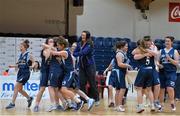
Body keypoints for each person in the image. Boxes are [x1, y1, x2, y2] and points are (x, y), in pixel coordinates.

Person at [6, 40, 35, 109]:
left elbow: (34, 62)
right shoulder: (21, 55)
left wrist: (32, 66)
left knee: (16, 86)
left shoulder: (28, 54)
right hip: (20, 73)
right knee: (19, 89)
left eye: (21, 46)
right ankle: (29, 98)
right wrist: (13, 66)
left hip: (25, 73)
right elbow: (19, 65)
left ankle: (12, 103)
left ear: (24, 47)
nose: (20, 47)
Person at [73, 31, 99, 105]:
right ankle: (83, 100)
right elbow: (75, 53)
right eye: (81, 35)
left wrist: (79, 52)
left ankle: (96, 99)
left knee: (92, 83)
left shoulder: (90, 44)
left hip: (90, 66)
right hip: (81, 67)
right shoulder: (79, 44)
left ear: (87, 36)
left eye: (84, 35)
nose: (82, 36)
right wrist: (79, 52)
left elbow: (84, 53)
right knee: (81, 83)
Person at [133, 37, 158, 113]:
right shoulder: (152, 49)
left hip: (143, 69)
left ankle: (140, 106)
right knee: (149, 89)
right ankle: (152, 105)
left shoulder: (140, 50)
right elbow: (156, 54)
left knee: (139, 89)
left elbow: (134, 55)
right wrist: (146, 53)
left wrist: (144, 53)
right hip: (150, 70)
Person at [33, 38, 56, 112]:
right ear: (47, 43)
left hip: (51, 71)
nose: (52, 43)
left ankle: (55, 105)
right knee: (42, 89)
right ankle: (36, 105)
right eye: (50, 41)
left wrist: (51, 47)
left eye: (52, 41)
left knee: (52, 87)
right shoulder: (44, 51)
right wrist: (49, 47)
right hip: (44, 71)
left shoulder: (54, 49)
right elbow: (47, 57)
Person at [158, 36, 179, 111]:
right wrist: (159, 65)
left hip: (171, 72)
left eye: (168, 41)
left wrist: (170, 59)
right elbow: (156, 61)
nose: (167, 42)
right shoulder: (161, 51)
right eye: (166, 41)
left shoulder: (175, 51)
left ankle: (172, 103)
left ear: (171, 42)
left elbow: (177, 63)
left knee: (170, 88)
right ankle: (161, 105)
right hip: (162, 72)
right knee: (161, 89)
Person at [113, 41, 132, 112]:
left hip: (121, 72)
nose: (127, 47)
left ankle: (117, 106)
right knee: (122, 89)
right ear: (121, 47)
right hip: (119, 72)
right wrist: (128, 66)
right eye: (126, 46)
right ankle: (119, 106)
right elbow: (120, 64)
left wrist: (126, 69)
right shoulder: (119, 54)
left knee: (118, 90)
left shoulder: (122, 53)